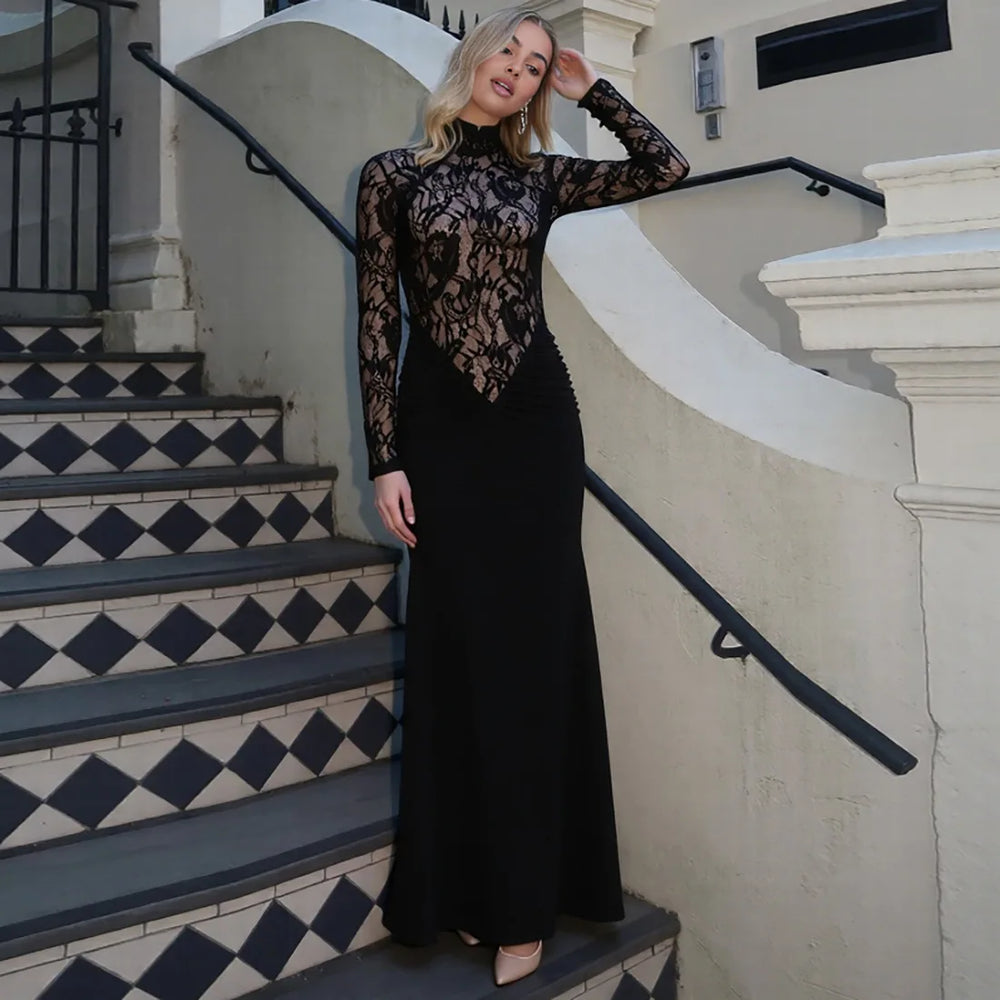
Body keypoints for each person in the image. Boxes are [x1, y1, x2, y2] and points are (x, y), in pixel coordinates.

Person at [354, 6, 689, 988]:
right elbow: (378, 323)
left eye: (536, 64)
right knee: (458, 655)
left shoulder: (542, 174)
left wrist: (596, 92)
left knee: (535, 657)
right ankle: (460, 888)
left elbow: (664, 167)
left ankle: (525, 900)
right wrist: (385, 457)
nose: (517, 68)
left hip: (536, 426)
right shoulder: (392, 175)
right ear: (474, 54)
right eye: (509, 49)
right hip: (439, 435)